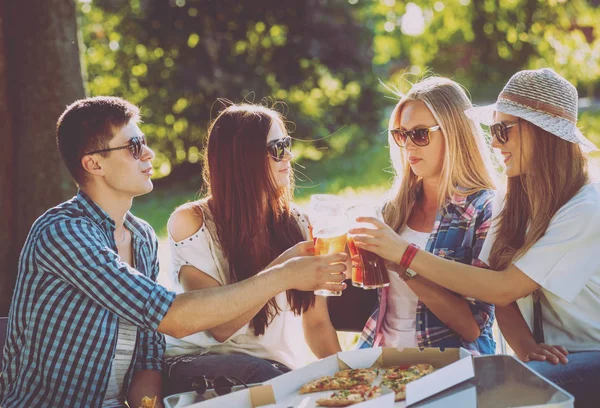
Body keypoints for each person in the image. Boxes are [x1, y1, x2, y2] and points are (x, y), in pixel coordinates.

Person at [0, 97, 347, 408]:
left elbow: (149, 354)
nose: (149, 153)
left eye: (145, 143)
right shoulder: (64, 233)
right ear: (94, 164)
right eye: (134, 146)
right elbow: (174, 319)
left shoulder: (142, 237)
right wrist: (285, 272)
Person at [350, 68, 600, 407]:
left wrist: (404, 256)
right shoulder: (513, 202)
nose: (494, 141)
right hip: (552, 358)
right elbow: (502, 298)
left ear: (542, 133)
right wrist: (527, 349)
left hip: (592, 352)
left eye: (502, 130)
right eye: (400, 134)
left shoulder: (586, 209)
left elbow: (502, 287)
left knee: (499, 392)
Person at [163, 103, 345, 395]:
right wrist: (285, 270)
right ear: (242, 159)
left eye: (286, 144)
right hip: (199, 366)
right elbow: (220, 328)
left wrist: (351, 378)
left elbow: (318, 323)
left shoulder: (297, 223)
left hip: (270, 373)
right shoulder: (192, 222)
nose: (288, 156)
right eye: (276, 148)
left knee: (284, 379)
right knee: (272, 376)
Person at [356, 77, 497, 354]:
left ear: (454, 132)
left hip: (451, 364)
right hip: (381, 357)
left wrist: (403, 263)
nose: (408, 145)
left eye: (420, 134)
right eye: (401, 134)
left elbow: (471, 327)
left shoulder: (483, 210)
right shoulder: (390, 209)